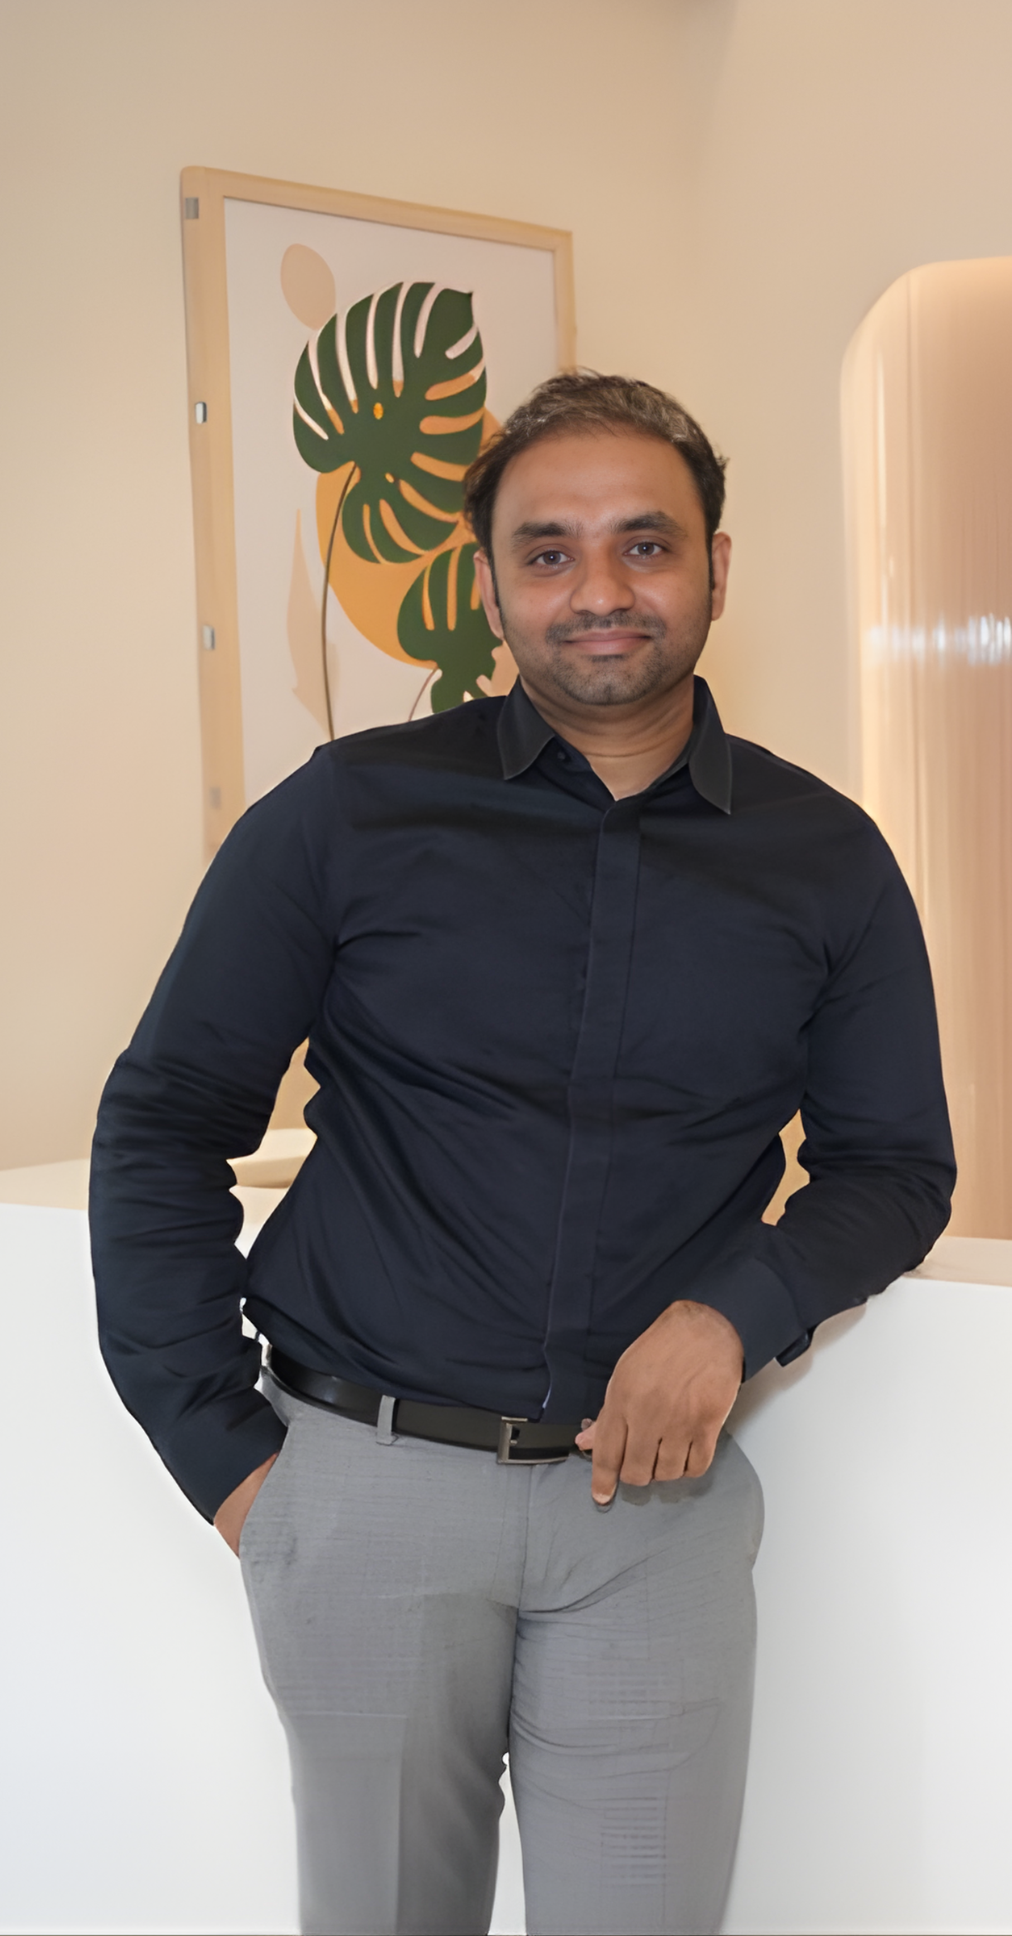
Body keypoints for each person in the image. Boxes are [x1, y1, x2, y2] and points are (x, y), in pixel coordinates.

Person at [90, 372, 954, 1936]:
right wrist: (229, 1462)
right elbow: (165, 1120)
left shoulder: (828, 857)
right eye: (548, 552)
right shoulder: (349, 815)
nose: (599, 588)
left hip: (657, 1519)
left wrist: (734, 1313)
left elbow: (896, 1165)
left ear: (716, 567)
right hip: (368, 1490)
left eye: (645, 544)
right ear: (488, 586)